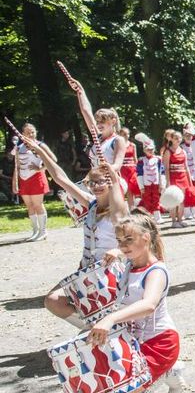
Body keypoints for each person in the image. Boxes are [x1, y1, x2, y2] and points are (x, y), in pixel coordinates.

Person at [20, 132, 129, 327]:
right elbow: (61, 179)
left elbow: (132, 244)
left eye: (100, 182)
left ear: (111, 183)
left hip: (111, 272)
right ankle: (93, 329)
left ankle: (107, 330)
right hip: (87, 270)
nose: (95, 186)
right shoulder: (90, 204)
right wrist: (40, 152)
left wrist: (117, 251)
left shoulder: (118, 211)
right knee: (53, 300)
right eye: (91, 182)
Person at [92, 213, 184, 393]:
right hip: (132, 342)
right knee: (97, 389)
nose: (124, 245)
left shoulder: (157, 271)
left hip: (160, 343)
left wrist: (110, 319)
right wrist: (118, 251)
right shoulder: (129, 264)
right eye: (120, 240)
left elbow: (149, 304)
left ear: (146, 238)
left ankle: (167, 372)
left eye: (129, 239)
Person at [10, 123, 53, 241]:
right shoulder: (19, 148)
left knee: (38, 205)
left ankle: (43, 231)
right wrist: (15, 182)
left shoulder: (40, 145)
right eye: (28, 132)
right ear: (22, 134)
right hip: (23, 179)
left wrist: (41, 168)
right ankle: (35, 231)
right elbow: (17, 166)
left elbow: (53, 159)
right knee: (29, 205)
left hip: (36, 177)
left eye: (33, 132)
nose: (31, 134)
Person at [160, 130, 190, 228]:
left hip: (183, 177)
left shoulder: (183, 151)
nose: (178, 140)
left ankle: (180, 220)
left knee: (182, 200)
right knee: (173, 200)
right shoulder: (168, 151)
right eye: (176, 138)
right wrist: (168, 182)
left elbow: (186, 167)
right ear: (171, 139)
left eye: (179, 138)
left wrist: (190, 182)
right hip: (173, 177)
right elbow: (166, 168)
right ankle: (173, 221)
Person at [135, 135, 165, 215]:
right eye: (148, 149)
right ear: (144, 150)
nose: (150, 151)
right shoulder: (141, 161)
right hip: (146, 184)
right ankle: (148, 216)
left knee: (156, 199)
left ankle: (157, 216)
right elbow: (139, 174)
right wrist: (141, 186)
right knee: (146, 199)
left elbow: (161, 172)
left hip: (156, 183)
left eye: (151, 149)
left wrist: (162, 184)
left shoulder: (158, 159)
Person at [119, 127, 141, 208]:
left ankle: (133, 208)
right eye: (124, 134)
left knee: (132, 188)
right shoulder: (118, 145)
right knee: (124, 189)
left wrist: (138, 170)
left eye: (127, 134)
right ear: (120, 135)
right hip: (122, 169)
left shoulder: (133, 145)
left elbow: (135, 158)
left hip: (132, 169)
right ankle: (127, 208)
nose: (126, 136)